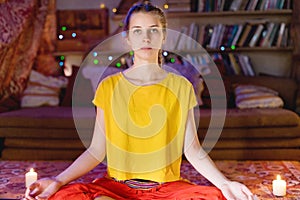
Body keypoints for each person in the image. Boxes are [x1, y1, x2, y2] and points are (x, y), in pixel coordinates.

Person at [25, 2, 254, 200]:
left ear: (163, 36)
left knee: (216, 196)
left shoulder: (181, 86)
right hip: (116, 188)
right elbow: (96, 150)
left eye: (153, 30)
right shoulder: (109, 86)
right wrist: (57, 180)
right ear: (127, 39)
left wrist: (225, 184)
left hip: (167, 189)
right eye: (137, 31)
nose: (146, 37)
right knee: (63, 194)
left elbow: (193, 150)